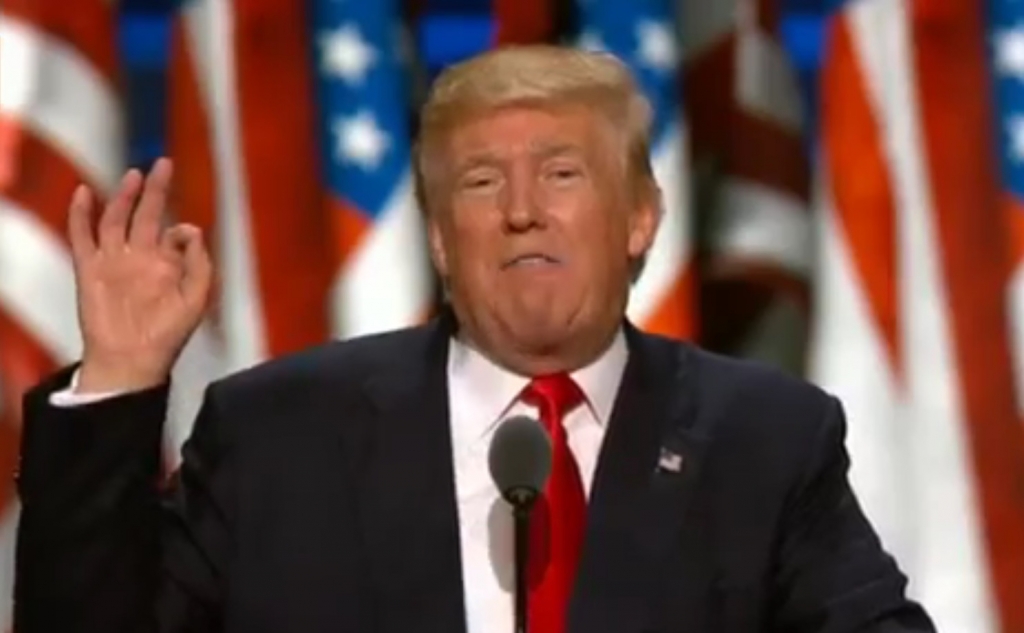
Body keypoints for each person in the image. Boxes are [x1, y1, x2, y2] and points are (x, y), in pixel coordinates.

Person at [13, 45, 934, 633]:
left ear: (641, 219)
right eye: (483, 183)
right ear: (442, 239)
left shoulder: (762, 439)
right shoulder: (277, 433)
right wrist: (122, 378)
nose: (524, 211)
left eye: (563, 173)